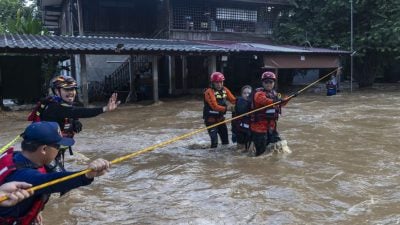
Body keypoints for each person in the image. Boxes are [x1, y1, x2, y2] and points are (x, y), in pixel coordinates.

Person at [0, 121, 110, 225]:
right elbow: (53, 182)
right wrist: (87, 175)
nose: (59, 150)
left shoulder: (17, 156)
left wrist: (37, 211)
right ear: (44, 149)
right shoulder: (25, 177)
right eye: (58, 146)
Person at [27, 75, 119, 169]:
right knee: (56, 177)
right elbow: (79, 112)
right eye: (66, 90)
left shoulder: (62, 105)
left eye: (73, 89)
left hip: (55, 149)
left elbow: (71, 113)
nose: (71, 92)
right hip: (43, 152)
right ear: (57, 91)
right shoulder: (53, 108)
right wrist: (104, 109)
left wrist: (74, 121)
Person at [250, 71, 289, 156]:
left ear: (274, 83)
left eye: (270, 82)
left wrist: (287, 99)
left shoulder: (274, 93)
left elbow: (280, 104)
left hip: (271, 126)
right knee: (261, 153)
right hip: (259, 127)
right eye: (266, 82)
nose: (268, 84)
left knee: (278, 145)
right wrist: (276, 101)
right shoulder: (259, 93)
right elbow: (264, 101)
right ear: (262, 83)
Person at [203, 72, 236, 148]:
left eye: (221, 82)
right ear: (212, 83)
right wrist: (227, 108)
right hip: (211, 121)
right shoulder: (209, 92)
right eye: (217, 82)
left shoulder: (225, 89)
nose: (219, 84)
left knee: (226, 142)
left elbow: (233, 100)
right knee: (214, 143)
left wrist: (241, 104)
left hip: (221, 120)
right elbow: (215, 106)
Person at [231, 85, 252, 152]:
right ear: (241, 94)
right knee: (239, 151)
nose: (247, 95)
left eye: (249, 93)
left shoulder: (255, 104)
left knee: (249, 150)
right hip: (240, 130)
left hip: (250, 130)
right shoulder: (237, 104)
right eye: (244, 93)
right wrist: (234, 132)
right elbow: (233, 120)